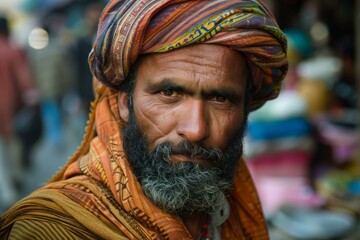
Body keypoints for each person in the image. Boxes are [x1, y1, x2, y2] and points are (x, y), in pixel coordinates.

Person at [0, 0, 288, 239]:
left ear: (244, 109)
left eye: (220, 99)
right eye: (169, 92)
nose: (196, 129)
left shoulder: (229, 207)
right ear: (125, 104)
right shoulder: (53, 229)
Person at [0, 16, 38, 213]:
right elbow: (24, 78)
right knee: (13, 145)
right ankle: (15, 180)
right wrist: (31, 98)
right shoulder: (12, 50)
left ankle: (5, 189)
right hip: (10, 110)